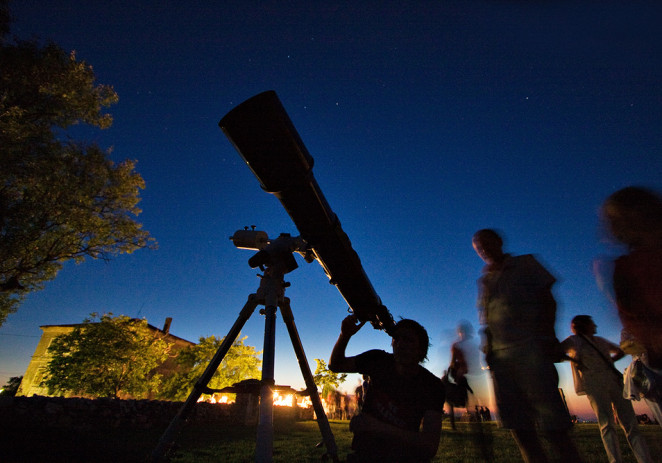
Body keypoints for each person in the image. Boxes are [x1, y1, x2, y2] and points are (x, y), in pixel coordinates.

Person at [472, 228, 582, 463]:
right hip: (501, 361)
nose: (484, 250)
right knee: (519, 429)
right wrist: (489, 352)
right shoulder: (485, 280)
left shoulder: (526, 264)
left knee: (554, 428)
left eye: (487, 243)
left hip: (530, 351)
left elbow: (548, 300)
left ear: (500, 241)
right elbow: (487, 320)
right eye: (478, 248)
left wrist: (547, 338)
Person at [329, 314, 444, 463]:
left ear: (421, 350)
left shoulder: (432, 386)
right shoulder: (378, 360)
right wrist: (345, 335)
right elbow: (336, 365)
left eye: (408, 339)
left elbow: (429, 446)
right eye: (397, 338)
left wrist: (376, 426)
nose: (400, 343)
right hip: (364, 454)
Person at [561, 315, 653, 463]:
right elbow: (556, 351)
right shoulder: (573, 341)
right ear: (582, 325)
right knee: (607, 425)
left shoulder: (600, 341)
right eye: (592, 323)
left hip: (614, 381)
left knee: (630, 424)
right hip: (594, 383)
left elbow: (620, 351)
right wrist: (574, 360)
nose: (595, 325)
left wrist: (610, 361)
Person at [601, 186, 662, 370]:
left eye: (613, 220)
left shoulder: (627, 267)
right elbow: (633, 318)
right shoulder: (624, 267)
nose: (608, 228)